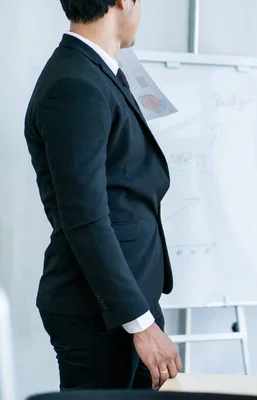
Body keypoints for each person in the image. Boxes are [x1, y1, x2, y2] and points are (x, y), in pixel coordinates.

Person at [24, 0, 182, 390]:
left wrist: (144, 316)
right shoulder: (74, 84)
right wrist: (141, 324)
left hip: (128, 304)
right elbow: (86, 218)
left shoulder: (98, 72)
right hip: (100, 312)